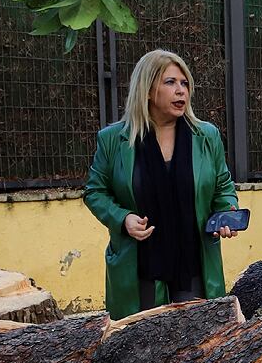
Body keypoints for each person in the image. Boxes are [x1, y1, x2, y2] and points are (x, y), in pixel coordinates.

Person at [84, 49, 240, 319]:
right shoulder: (113, 140)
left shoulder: (206, 136)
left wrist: (226, 212)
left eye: (185, 83)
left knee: (197, 345)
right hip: (140, 268)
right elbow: (95, 191)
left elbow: (222, 187)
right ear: (147, 90)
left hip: (193, 266)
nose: (181, 91)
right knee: (142, 348)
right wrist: (123, 219)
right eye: (170, 82)